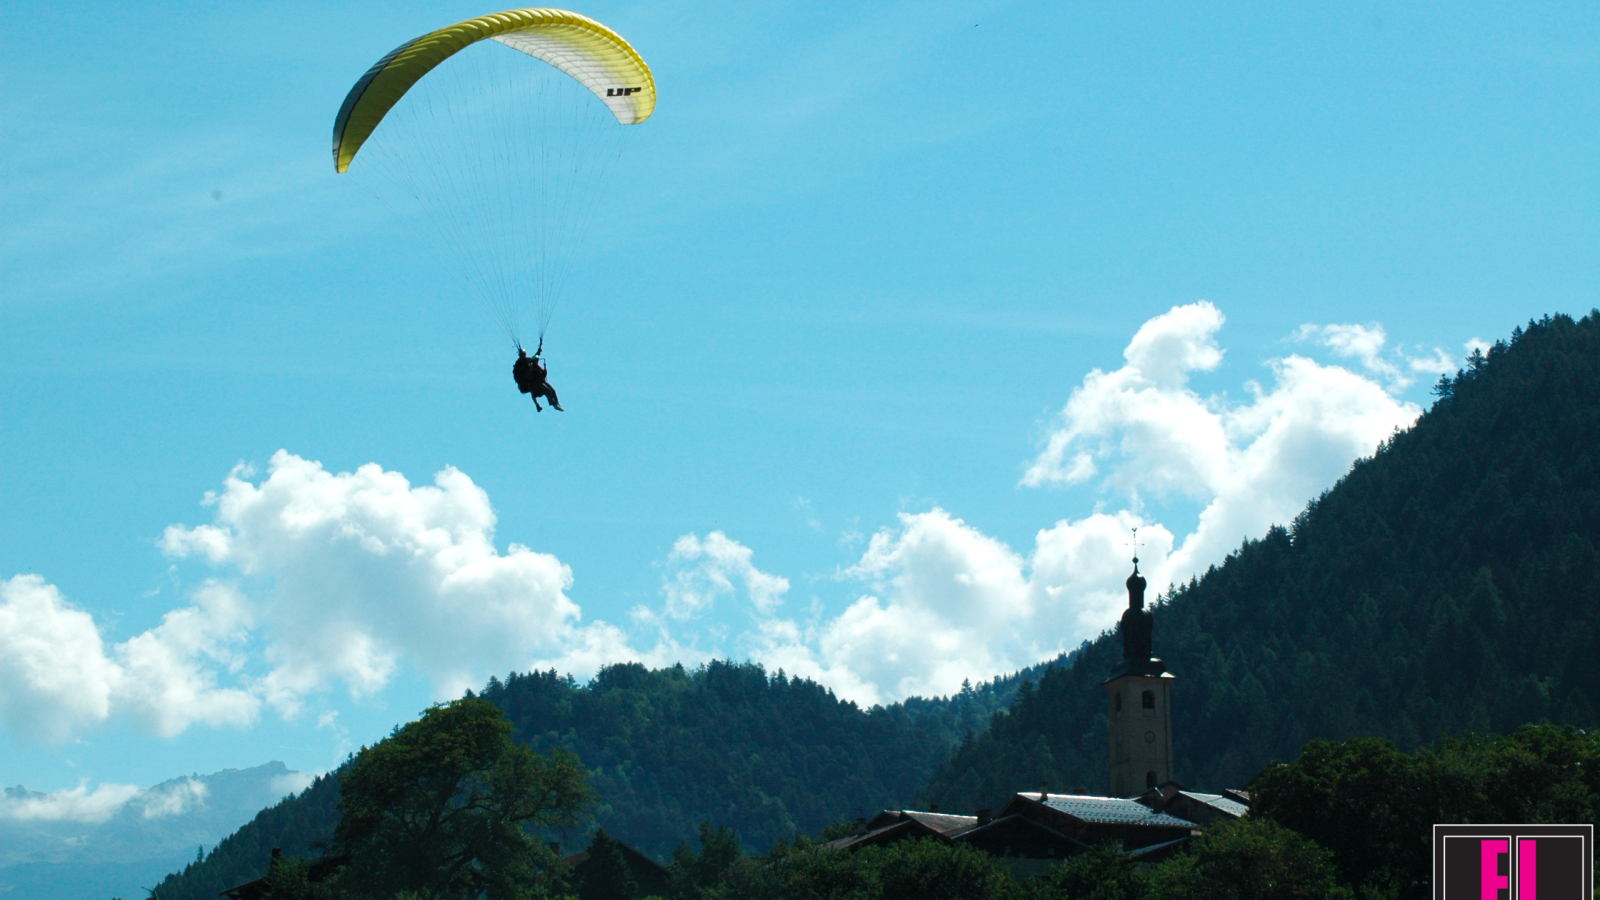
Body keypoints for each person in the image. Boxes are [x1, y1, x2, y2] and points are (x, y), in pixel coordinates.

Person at [512, 345, 563, 411]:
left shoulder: (529, 361)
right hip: (533, 382)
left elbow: (535, 357)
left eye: (524, 354)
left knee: (553, 390)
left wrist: (538, 352)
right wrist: (537, 354)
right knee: (547, 390)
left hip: (540, 379)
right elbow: (530, 363)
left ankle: (557, 403)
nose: (523, 356)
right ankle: (553, 404)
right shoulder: (519, 364)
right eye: (522, 354)